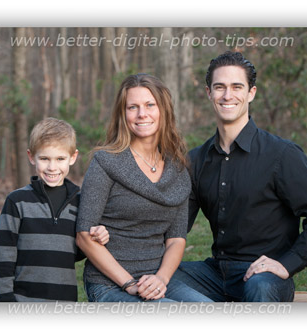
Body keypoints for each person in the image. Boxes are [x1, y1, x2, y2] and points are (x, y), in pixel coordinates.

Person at [173, 51, 307, 302]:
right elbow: (175, 225)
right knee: (156, 277)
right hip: (215, 273)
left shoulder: (282, 154)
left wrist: (286, 264)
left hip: (264, 276)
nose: (227, 95)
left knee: (260, 287)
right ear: (209, 93)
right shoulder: (196, 161)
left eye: (236, 87)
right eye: (220, 87)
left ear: (251, 93)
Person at [75, 73, 212, 302]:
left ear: (163, 110)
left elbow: (176, 239)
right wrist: (128, 283)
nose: (142, 114)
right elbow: (84, 236)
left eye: (150, 105)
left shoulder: (177, 169)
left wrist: (161, 279)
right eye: (132, 107)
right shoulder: (106, 162)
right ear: (123, 114)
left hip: (157, 279)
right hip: (110, 283)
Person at [0, 117, 110, 302]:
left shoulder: (80, 202)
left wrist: (96, 237)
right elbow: (3, 250)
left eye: (60, 159)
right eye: (44, 158)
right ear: (31, 157)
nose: (52, 167)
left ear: (73, 157)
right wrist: (6, 295)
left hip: (64, 299)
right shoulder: (17, 201)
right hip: (23, 299)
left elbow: (76, 250)